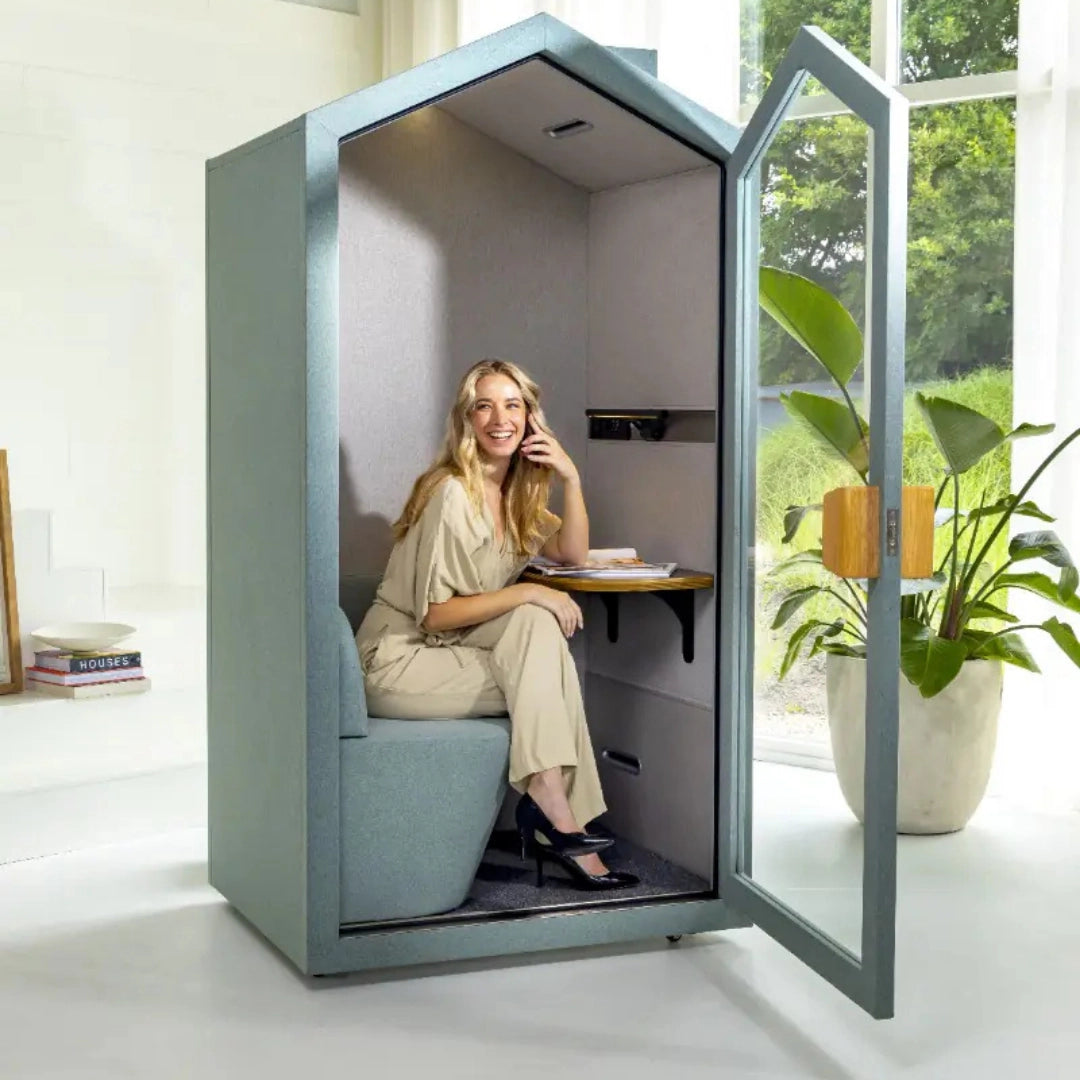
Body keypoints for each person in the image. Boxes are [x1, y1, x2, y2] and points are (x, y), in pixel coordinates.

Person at [355, 358, 637, 891]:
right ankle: (562, 824)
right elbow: (435, 615)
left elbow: (572, 553)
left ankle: (553, 811)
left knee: (535, 628)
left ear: (531, 417)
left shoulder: (516, 494)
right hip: (399, 661)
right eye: (483, 405)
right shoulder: (451, 494)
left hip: (452, 649)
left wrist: (571, 477)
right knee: (539, 654)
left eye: (512, 405)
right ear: (467, 419)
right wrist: (529, 588)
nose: (499, 418)